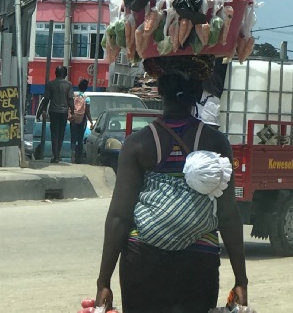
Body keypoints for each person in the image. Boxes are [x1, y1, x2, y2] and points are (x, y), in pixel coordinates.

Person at [94, 55, 248, 313]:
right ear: (198, 92)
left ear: (159, 91)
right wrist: (241, 280)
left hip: (143, 261)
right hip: (198, 264)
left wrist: (103, 281)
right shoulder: (215, 143)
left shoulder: (138, 144)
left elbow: (119, 216)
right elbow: (228, 215)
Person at [43, 66, 74, 163]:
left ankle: (55, 155)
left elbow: (46, 99)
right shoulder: (68, 85)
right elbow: (70, 99)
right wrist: (72, 111)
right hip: (63, 112)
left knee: (54, 134)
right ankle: (58, 154)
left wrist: (44, 110)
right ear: (64, 74)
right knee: (61, 134)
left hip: (53, 112)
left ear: (55, 73)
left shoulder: (50, 84)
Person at [69, 79, 93, 164]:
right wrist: (91, 121)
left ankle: (72, 156)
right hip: (82, 120)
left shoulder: (74, 95)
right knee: (80, 139)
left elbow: (70, 105)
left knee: (73, 138)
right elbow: (87, 111)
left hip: (73, 119)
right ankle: (79, 158)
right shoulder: (87, 98)